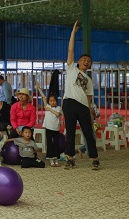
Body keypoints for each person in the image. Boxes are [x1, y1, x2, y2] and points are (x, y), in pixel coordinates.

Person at [63, 21, 100, 170]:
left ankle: (95, 158)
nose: (86, 61)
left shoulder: (89, 80)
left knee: (88, 133)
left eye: (89, 61)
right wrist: (73, 32)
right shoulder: (71, 69)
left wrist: (90, 112)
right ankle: (70, 159)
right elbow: (70, 50)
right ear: (78, 62)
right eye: (84, 59)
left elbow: (89, 98)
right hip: (69, 103)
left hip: (83, 106)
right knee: (70, 132)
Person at [36, 83, 62, 167]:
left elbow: (57, 114)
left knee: (56, 144)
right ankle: (51, 159)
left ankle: (56, 159)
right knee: (50, 143)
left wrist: (50, 109)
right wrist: (39, 89)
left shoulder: (58, 108)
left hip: (56, 129)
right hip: (48, 128)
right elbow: (43, 97)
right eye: (50, 101)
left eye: (54, 100)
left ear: (56, 101)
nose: (52, 102)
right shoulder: (47, 106)